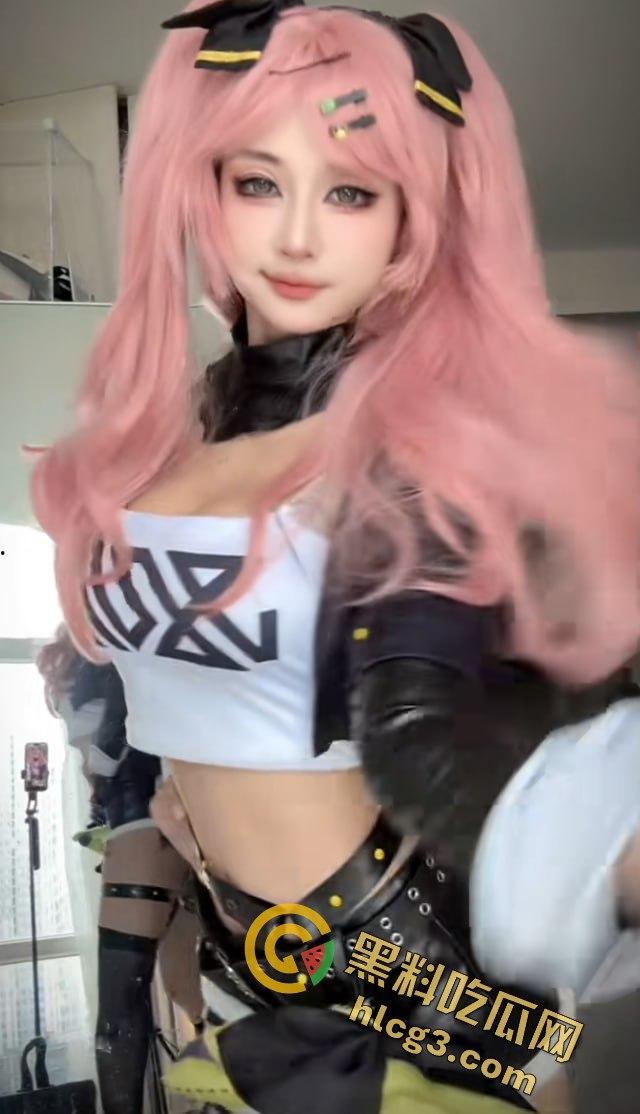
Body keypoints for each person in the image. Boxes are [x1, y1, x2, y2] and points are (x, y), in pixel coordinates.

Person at [29, 3, 640, 1112]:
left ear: (412, 216)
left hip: (413, 964)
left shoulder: (430, 446)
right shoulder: (172, 434)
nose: (299, 236)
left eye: (352, 191)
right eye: (259, 182)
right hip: (251, 958)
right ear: (200, 187)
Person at [36, 628, 205, 1114]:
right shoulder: (111, 648)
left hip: (143, 816)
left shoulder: (100, 654)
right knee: (189, 988)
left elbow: (119, 722)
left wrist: (101, 774)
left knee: (121, 1000)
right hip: (177, 808)